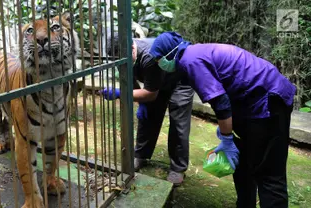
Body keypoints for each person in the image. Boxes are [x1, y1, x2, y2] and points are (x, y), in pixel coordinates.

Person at [149, 31, 296, 208]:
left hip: (268, 101)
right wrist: (228, 128)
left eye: (159, 59)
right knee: (244, 162)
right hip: (249, 104)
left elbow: (221, 102)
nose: (160, 64)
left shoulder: (191, 61)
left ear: (169, 53)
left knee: (269, 174)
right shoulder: (194, 53)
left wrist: (226, 138)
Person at [100, 33, 195, 186]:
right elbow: (131, 83)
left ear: (132, 48)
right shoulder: (120, 56)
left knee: (178, 121)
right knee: (148, 116)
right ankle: (141, 155)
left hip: (180, 79)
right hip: (159, 80)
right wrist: (140, 102)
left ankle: (178, 168)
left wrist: (120, 94)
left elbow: (150, 94)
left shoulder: (149, 56)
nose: (120, 62)